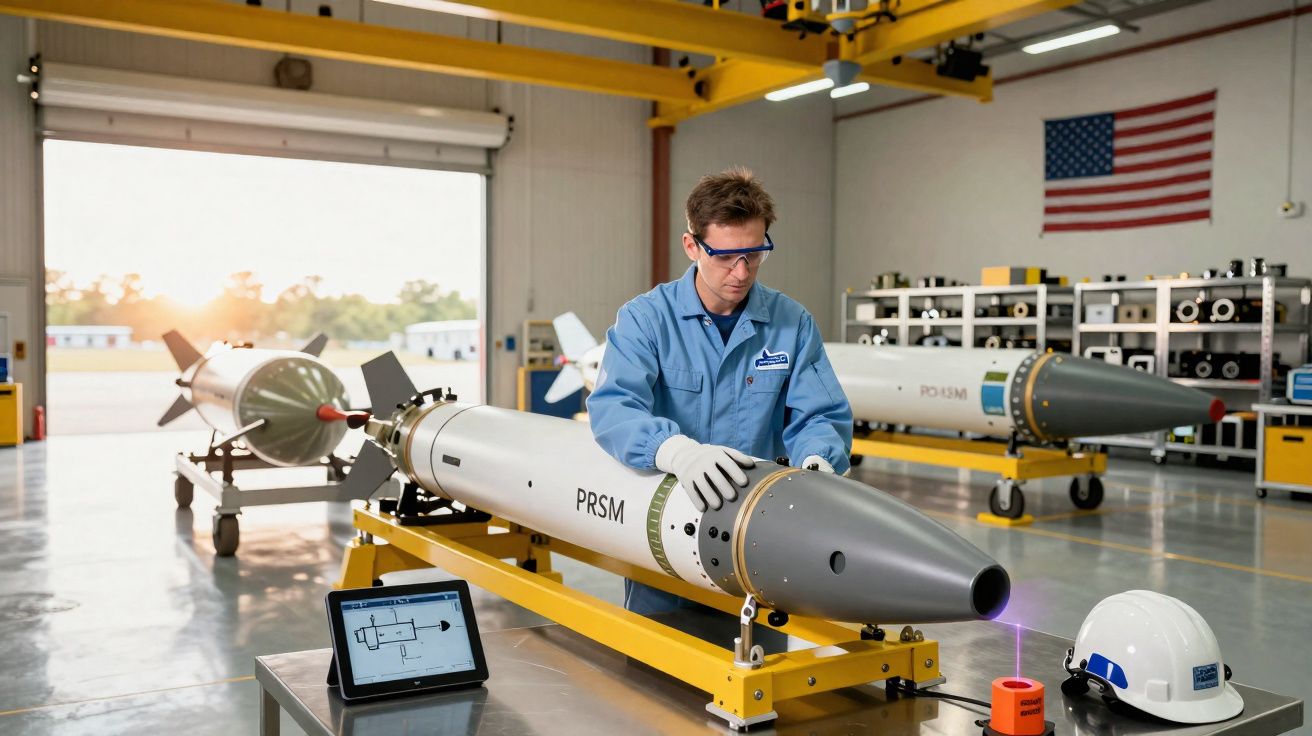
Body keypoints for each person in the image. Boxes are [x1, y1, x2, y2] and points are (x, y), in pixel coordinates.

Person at [587, 167, 853, 616]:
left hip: (760, 541)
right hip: (670, 533)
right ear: (692, 246)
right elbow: (614, 408)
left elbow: (819, 414)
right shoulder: (646, 320)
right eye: (727, 256)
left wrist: (819, 460)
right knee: (657, 676)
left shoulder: (792, 323)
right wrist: (676, 452)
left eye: (755, 253)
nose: (742, 271)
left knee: (759, 671)